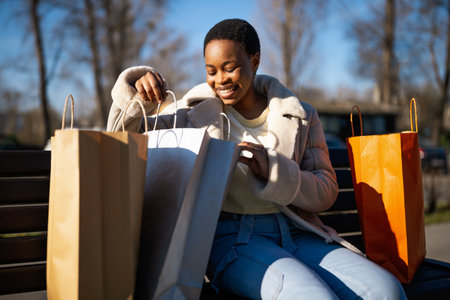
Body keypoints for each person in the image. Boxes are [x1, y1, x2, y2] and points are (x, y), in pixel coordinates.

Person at [107, 19, 406, 300]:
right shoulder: (192, 114)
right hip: (233, 240)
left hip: (299, 232)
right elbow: (122, 140)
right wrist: (133, 93)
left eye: (230, 68)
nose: (219, 80)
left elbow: (326, 191)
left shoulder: (301, 114)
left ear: (254, 61)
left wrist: (276, 172)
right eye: (211, 71)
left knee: (386, 291)